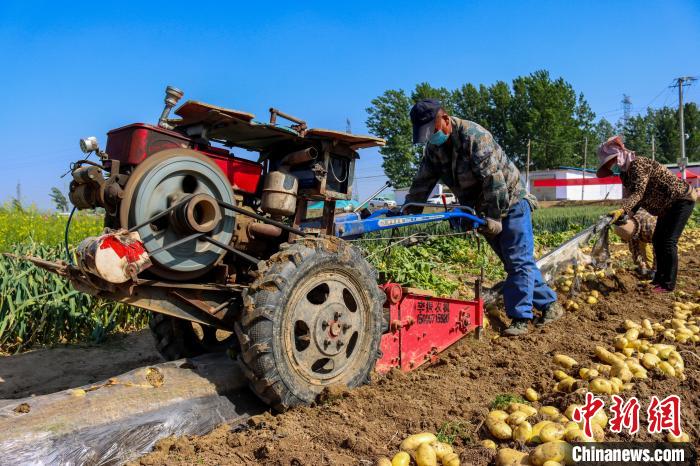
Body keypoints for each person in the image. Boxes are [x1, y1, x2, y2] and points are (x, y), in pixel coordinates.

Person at [405, 98, 562, 336]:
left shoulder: (475, 136)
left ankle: (521, 318)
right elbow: (422, 182)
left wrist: (495, 217)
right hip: (481, 209)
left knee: (518, 262)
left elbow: (494, 180)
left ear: (445, 119)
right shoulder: (434, 150)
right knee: (515, 263)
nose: (431, 137)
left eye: (433, 131)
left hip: (510, 203)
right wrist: (409, 212)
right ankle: (550, 304)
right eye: (426, 134)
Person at [597, 135, 697, 292]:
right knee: (658, 240)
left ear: (618, 156)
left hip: (681, 200)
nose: (612, 166)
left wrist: (622, 209)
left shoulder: (638, 164)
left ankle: (668, 284)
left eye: (611, 161)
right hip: (666, 206)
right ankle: (658, 280)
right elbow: (636, 200)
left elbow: (638, 193)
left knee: (669, 242)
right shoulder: (625, 174)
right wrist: (626, 215)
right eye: (609, 164)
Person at [612, 208, 656, 279]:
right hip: (640, 227)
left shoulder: (651, 229)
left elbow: (659, 249)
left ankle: (656, 270)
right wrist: (640, 263)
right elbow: (634, 249)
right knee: (640, 245)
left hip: (659, 229)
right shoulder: (629, 226)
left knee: (662, 253)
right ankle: (647, 266)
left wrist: (655, 269)